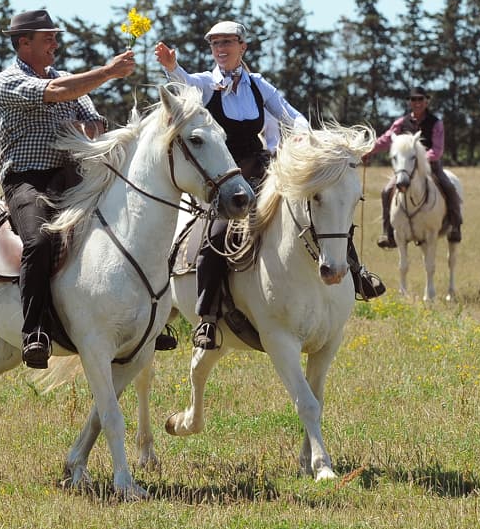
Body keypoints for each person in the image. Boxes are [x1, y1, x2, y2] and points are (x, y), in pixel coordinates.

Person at [155, 21, 385, 349]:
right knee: (215, 233)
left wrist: (306, 134)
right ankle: (206, 318)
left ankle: (356, 272)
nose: (221, 48)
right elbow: (185, 86)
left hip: (264, 169)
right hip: (222, 177)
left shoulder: (258, 85)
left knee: (321, 206)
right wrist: (172, 67)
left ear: (243, 47)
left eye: (228, 42)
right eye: (215, 43)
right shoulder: (206, 84)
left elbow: (290, 114)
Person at [0, 9, 141, 369]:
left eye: (55, 38)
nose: (55, 44)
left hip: (75, 178)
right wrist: (108, 72)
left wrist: (86, 125)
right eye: (48, 39)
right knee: (39, 241)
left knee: (131, 223)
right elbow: (58, 93)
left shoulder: (68, 80)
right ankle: (35, 331)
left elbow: (93, 125)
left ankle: (143, 320)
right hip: (29, 180)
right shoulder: (7, 81)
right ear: (23, 43)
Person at [367, 86, 462, 248]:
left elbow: (438, 150)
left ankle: (455, 226)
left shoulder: (436, 123)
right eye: (413, 99)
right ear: (409, 102)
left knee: (449, 186)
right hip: (405, 169)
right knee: (386, 191)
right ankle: (387, 233)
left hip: (431, 167)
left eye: (420, 99)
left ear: (426, 101)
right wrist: (369, 150)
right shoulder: (400, 123)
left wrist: (420, 159)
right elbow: (386, 139)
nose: (417, 102)